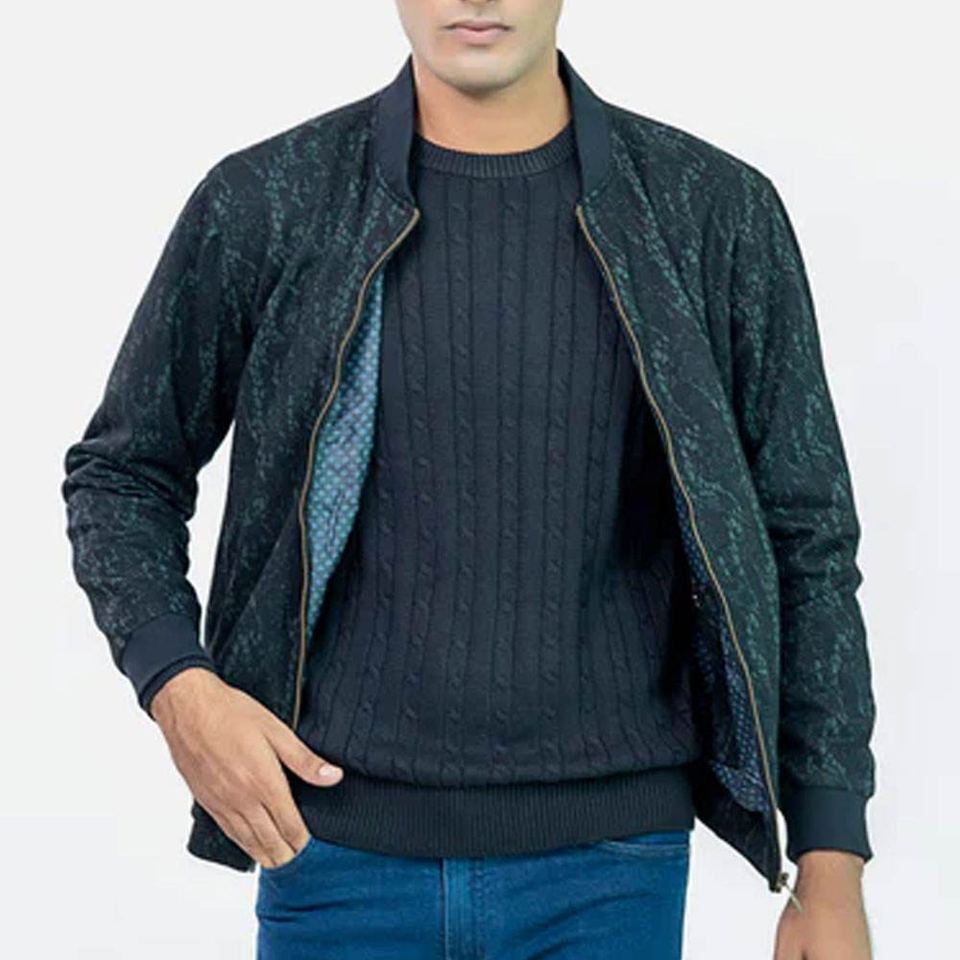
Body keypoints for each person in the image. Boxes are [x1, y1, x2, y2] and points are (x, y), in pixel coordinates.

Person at [61, 2, 877, 957]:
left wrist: (830, 863)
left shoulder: (711, 212)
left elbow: (805, 536)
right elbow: (123, 473)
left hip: (610, 872)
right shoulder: (270, 199)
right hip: (333, 856)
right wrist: (178, 686)